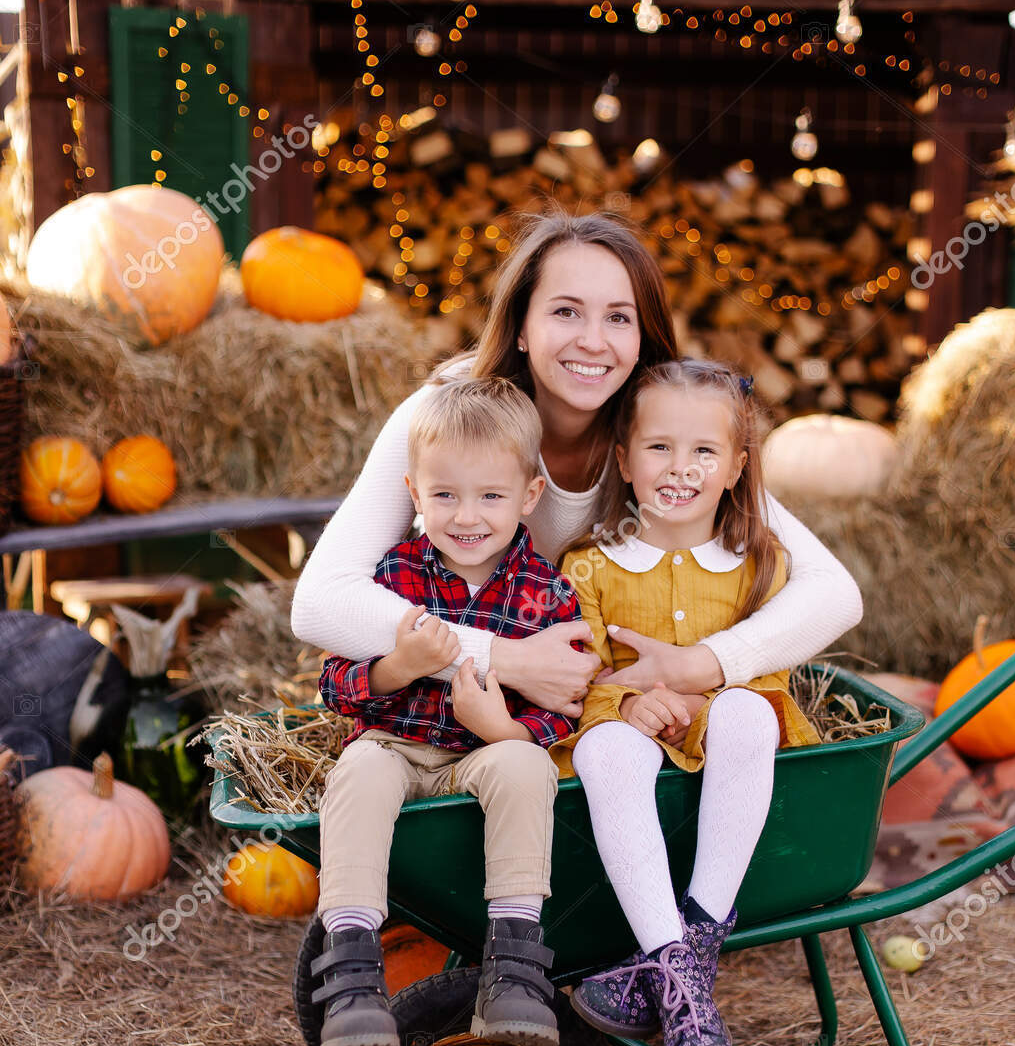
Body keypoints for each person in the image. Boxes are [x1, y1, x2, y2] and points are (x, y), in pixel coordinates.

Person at [291, 209, 863, 727]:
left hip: (610, 714)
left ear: (643, 338)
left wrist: (704, 664)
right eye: (566, 312)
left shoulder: (665, 439)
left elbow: (834, 591)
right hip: (454, 715)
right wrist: (504, 659)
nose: (593, 342)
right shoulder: (449, 417)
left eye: (619, 318)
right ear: (521, 326)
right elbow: (320, 602)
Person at [552, 357, 848, 1046]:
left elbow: (767, 676)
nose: (678, 469)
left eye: (703, 452)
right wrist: (622, 704)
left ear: (736, 467)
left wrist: (701, 679)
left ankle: (674, 967)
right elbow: (578, 679)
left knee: (750, 707)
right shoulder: (589, 566)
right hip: (634, 749)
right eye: (658, 448)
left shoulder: (760, 566)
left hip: (730, 743)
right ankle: (679, 969)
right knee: (606, 746)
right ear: (622, 458)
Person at [313, 375, 582, 1046]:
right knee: (358, 770)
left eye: (490, 496)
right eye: (444, 495)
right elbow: (334, 685)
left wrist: (506, 731)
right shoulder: (390, 578)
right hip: (397, 744)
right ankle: (352, 972)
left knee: (524, 764)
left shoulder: (547, 593)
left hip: (479, 757)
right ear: (413, 496)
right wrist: (397, 667)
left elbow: (566, 706)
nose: (467, 516)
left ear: (528, 496)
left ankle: (515, 970)